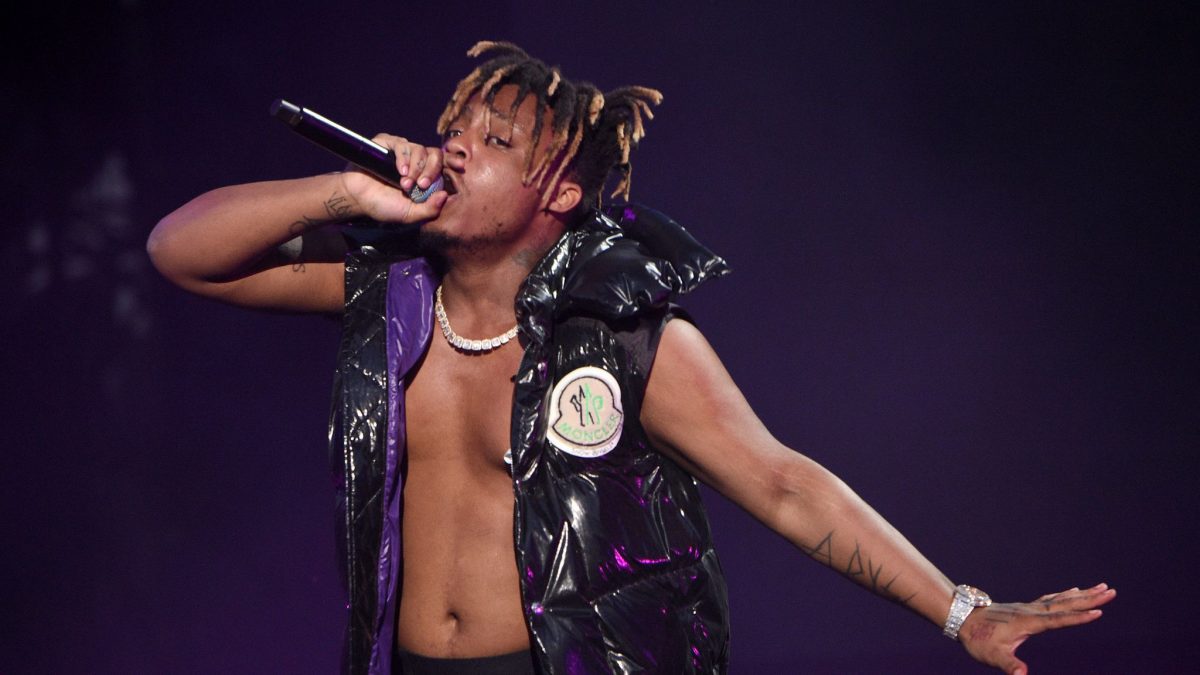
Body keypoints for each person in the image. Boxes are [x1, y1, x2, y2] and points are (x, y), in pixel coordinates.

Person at [147, 41, 1114, 675]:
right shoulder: (387, 291)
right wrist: (346, 192)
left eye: (493, 140)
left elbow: (784, 482)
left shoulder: (625, 338)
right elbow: (179, 252)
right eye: (453, 130)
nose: (454, 149)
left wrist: (962, 613)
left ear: (558, 193)